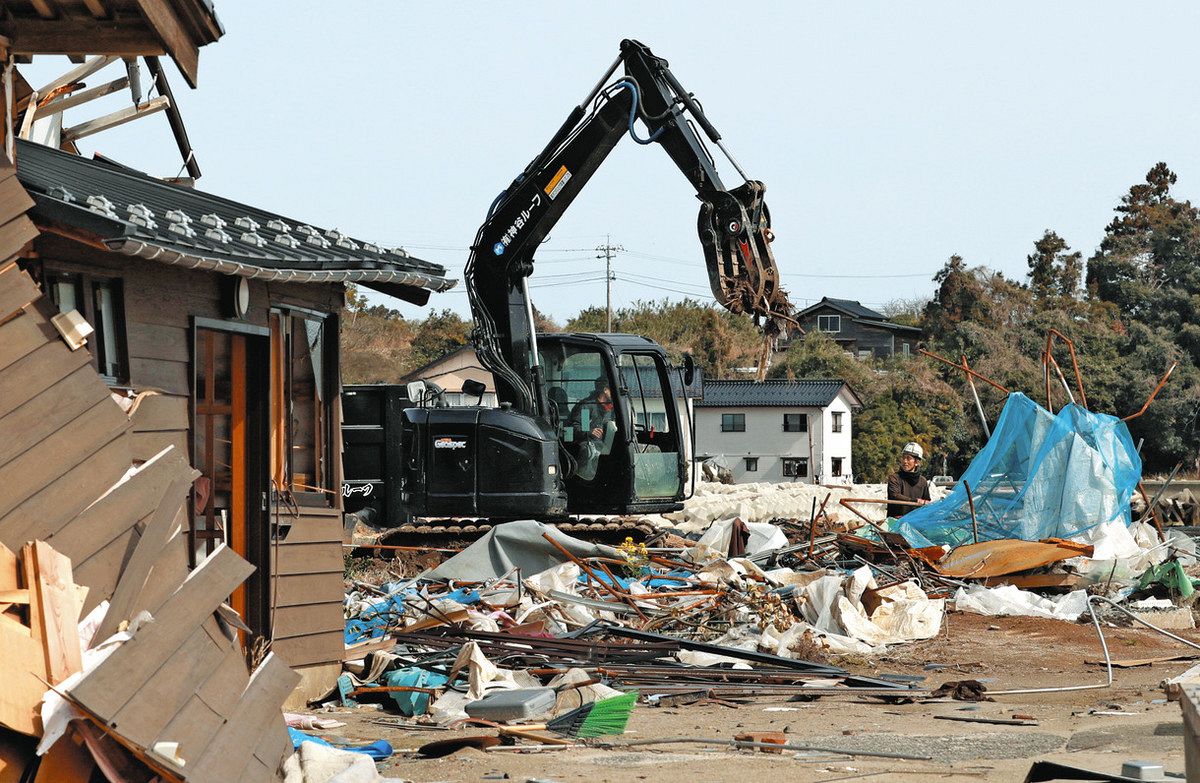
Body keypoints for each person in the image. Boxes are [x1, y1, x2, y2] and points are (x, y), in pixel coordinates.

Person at [567, 377, 615, 480]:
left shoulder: (610, 408)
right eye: (612, 389)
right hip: (587, 446)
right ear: (605, 390)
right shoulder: (587, 408)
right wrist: (589, 432)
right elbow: (577, 427)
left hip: (603, 444)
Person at [887, 442, 931, 518]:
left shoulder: (922, 481)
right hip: (896, 522)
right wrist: (915, 501)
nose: (905, 461)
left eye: (908, 458)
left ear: (917, 462)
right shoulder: (894, 478)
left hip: (915, 522)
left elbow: (926, 502)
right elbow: (895, 496)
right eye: (903, 457)